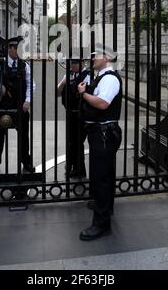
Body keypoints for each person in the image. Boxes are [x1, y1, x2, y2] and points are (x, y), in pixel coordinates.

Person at [78, 47, 122, 241]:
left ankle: (101, 224)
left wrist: (83, 94)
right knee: (105, 175)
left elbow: (103, 103)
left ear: (106, 57)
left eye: (95, 55)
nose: (92, 58)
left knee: (101, 178)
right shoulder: (102, 77)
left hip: (104, 134)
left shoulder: (110, 78)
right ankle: (105, 206)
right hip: (101, 133)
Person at [0, 37, 36, 175]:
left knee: (24, 137)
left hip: (20, 106)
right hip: (3, 105)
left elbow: (31, 84)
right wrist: (0, 86)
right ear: (9, 48)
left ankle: (26, 162)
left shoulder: (24, 65)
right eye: (15, 48)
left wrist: (28, 101)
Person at [58, 58, 90, 179]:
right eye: (71, 63)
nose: (73, 65)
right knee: (71, 141)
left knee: (78, 142)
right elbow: (57, 92)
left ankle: (79, 170)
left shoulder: (88, 76)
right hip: (70, 113)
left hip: (82, 114)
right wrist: (63, 83)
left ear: (82, 63)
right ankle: (71, 165)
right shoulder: (68, 75)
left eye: (75, 63)